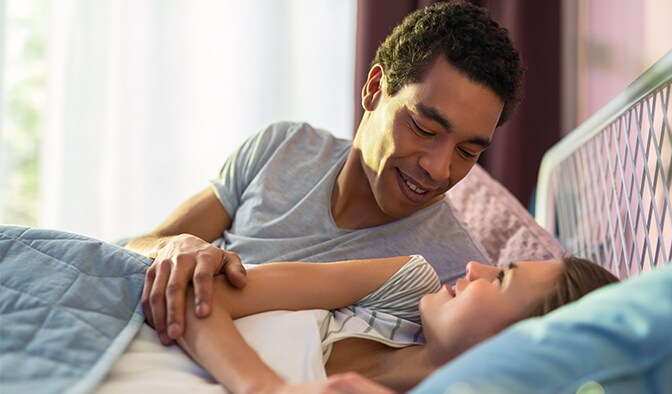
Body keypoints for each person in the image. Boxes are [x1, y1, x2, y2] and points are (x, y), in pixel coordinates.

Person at [125, 2, 526, 345]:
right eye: (424, 129)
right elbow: (138, 246)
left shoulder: (458, 280)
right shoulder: (284, 148)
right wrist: (176, 245)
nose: (439, 169)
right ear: (374, 89)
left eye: (467, 151)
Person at [175, 254, 619, 393]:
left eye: (501, 279)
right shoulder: (401, 288)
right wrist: (266, 389)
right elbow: (199, 291)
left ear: (520, 346)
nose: (473, 267)